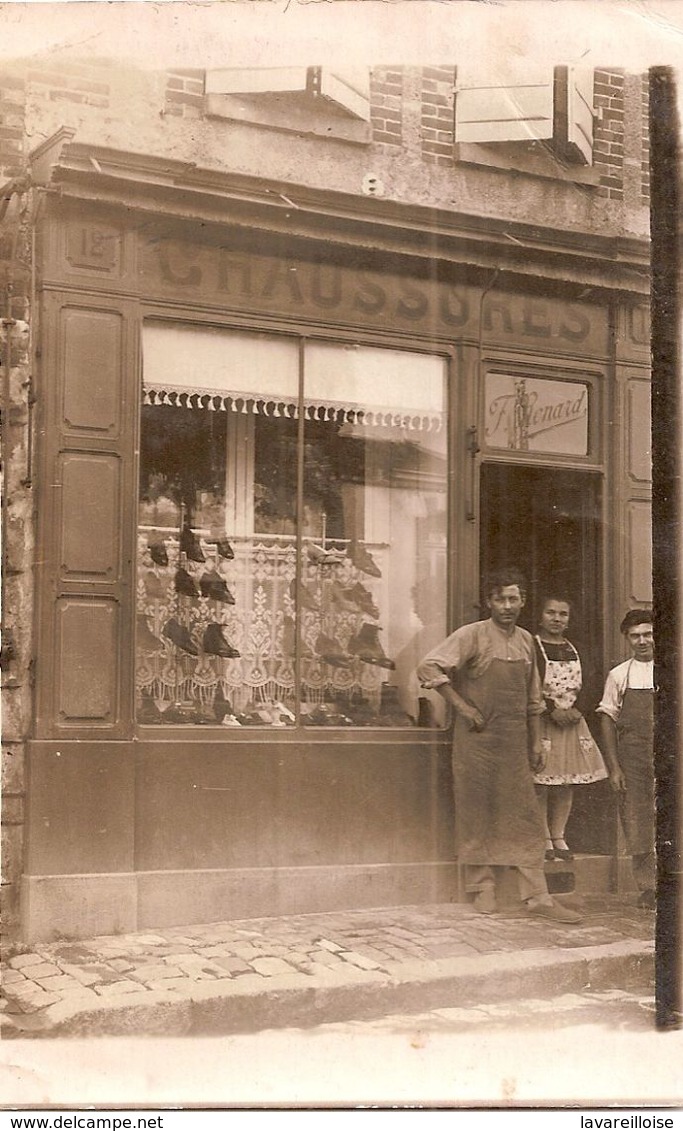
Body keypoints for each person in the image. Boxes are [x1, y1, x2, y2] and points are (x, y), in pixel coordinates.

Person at [417, 568, 582, 923]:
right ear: (489, 601)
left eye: (514, 599)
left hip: (514, 741)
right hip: (475, 740)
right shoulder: (471, 635)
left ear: (523, 601)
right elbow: (428, 667)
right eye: (500, 599)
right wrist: (462, 707)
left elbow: (534, 698)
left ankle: (537, 895)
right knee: (477, 809)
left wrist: (536, 742)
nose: (507, 606)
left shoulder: (526, 641)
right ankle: (483, 887)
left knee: (524, 813)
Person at [532, 596, 608, 862]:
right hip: (544, 721)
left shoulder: (578, 649)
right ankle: (543, 839)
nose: (556, 618)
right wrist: (552, 709)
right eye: (550, 612)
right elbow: (527, 685)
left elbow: (592, 682)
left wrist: (579, 709)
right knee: (542, 783)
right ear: (540, 616)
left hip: (574, 723)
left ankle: (558, 835)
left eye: (563, 614)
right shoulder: (532, 647)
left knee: (567, 782)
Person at [596, 609, 656, 911]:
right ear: (627, 638)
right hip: (633, 758)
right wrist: (614, 766)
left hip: (671, 759)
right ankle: (649, 887)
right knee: (638, 820)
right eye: (635, 636)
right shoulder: (619, 674)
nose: (642, 640)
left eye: (647, 634)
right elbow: (607, 718)